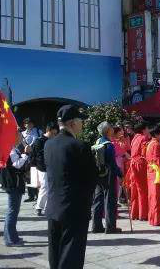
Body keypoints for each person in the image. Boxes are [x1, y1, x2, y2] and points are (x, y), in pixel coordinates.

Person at [45, 105, 97, 269]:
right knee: (71, 256)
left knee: (55, 253)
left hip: (54, 207)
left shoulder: (48, 145)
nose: (82, 124)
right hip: (74, 209)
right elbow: (91, 179)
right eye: (81, 121)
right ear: (73, 123)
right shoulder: (80, 146)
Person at [0, 131, 32, 246]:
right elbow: (17, 164)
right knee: (12, 211)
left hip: (14, 183)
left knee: (12, 211)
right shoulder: (11, 150)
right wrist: (26, 153)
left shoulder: (13, 148)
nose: (20, 138)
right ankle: (11, 240)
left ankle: (10, 237)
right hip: (14, 184)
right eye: (18, 136)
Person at [91, 122, 122, 234]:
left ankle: (96, 226)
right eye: (111, 128)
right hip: (108, 174)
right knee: (110, 200)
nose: (113, 129)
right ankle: (110, 227)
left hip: (98, 174)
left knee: (98, 199)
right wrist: (120, 173)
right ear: (108, 131)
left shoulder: (98, 142)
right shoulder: (109, 145)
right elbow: (113, 163)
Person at [32, 122, 59, 216]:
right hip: (42, 168)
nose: (55, 135)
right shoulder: (39, 141)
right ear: (48, 130)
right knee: (45, 187)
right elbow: (37, 157)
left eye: (56, 133)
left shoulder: (53, 140)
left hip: (52, 167)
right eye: (54, 133)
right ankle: (39, 207)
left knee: (50, 188)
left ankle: (47, 208)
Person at [146, 124, 160, 226]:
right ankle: (156, 220)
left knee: (152, 197)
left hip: (151, 172)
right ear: (157, 134)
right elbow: (159, 161)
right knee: (156, 197)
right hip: (156, 173)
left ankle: (152, 219)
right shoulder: (156, 145)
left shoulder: (150, 144)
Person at [128, 122, 150, 221]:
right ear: (143, 129)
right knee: (142, 189)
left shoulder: (135, 138)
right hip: (140, 164)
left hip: (133, 164)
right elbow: (144, 153)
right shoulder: (143, 138)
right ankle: (143, 214)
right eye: (147, 128)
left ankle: (134, 213)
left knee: (134, 189)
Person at [111, 125, 130, 204]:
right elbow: (125, 153)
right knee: (117, 186)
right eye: (120, 130)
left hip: (118, 164)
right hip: (117, 165)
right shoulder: (114, 143)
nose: (122, 132)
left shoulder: (114, 141)